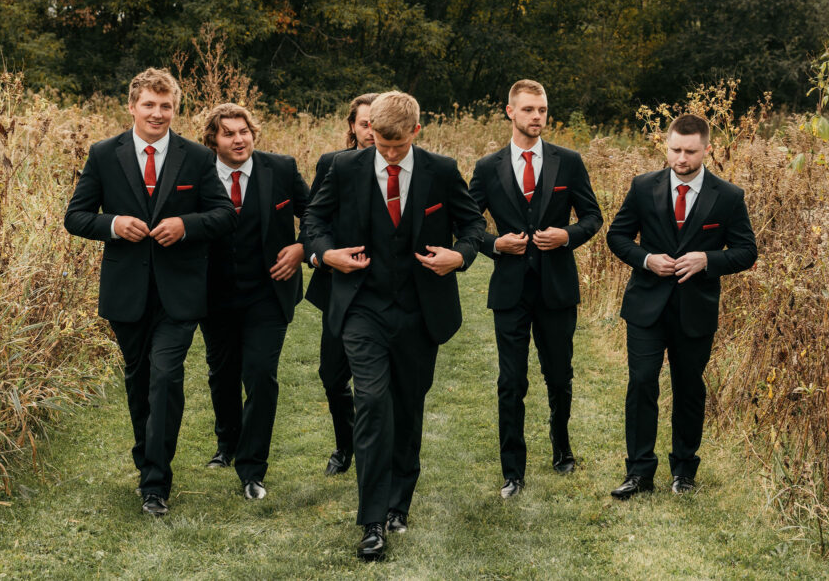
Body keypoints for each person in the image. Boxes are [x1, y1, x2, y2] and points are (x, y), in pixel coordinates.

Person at [303, 91, 485, 562]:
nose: (387, 153)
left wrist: (459, 255)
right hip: (362, 307)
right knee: (371, 404)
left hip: (420, 311)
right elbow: (314, 220)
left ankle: (399, 501)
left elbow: (472, 227)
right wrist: (326, 254)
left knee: (407, 406)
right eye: (380, 143)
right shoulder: (344, 169)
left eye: (397, 145)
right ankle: (372, 521)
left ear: (416, 133)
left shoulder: (441, 171)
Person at [64, 68, 236, 516]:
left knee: (165, 378)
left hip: (180, 294)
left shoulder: (196, 157)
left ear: (174, 109)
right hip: (126, 292)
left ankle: (156, 482)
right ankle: (147, 459)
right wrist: (114, 225)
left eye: (166, 106)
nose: (157, 113)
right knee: (138, 381)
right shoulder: (104, 154)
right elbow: (76, 217)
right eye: (149, 105)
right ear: (132, 107)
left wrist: (186, 225)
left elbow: (223, 215)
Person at [605, 113, 757, 498]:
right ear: (666, 146)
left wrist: (709, 260)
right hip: (645, 307)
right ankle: (639, 473)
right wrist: (646, 259)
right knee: (641, 383)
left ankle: (684, 472)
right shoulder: (642, 187)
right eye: (674, 150)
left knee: (689, 388)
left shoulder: (728, 196)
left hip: (696, 309)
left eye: (690, 151)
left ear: (707, 149)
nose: (681, 158)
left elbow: (746, 251)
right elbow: (618, 236)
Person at [468, 79, 602, 499]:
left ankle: (561, 446)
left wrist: (568, 235)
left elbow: (593, 217)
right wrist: (494, 244)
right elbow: (467, 223)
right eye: (528, 110)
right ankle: (513, 471)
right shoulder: (488, 168)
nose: (537, 117)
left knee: (559, 376)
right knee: (511, 381)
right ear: (510, 112)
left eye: (542, 110)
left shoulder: (569, 161)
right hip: (509, 289)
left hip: (557, 288)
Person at [199, 103, 310, 500]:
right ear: (213, 139)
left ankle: (252, 469)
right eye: (228, 133)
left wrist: (301, 246)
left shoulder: (280, 168)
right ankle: (227, 444)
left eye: (243, 131)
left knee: (260, 376)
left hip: (269, 292)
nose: (238, 138)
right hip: (214, 294)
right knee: (222, 375)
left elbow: (314, 213)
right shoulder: (197, 171)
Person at [305, 92, 377, 476]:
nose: (370, 131)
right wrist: (326, 255)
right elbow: (315, 220)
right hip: (338, 286)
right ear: (352, 126)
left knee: (376, 383)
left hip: (385, 289)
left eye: (376, 123)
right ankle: (344, 443)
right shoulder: (332, 163)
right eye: (364, 124)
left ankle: (372, 451)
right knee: (333, 375)